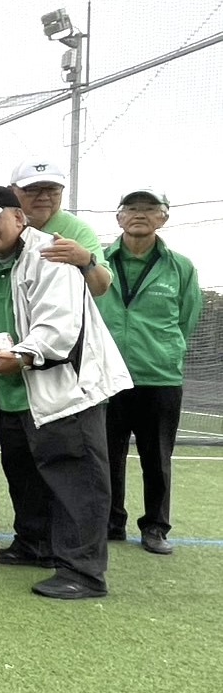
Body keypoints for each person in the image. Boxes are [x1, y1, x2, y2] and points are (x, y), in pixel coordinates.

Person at [0, 185, 131, 600]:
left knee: (76, 481)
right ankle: (35, 544)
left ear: (19, 218)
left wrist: (21, 355)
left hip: (65, 390)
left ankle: (83, 572)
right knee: (25, 474)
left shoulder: (50, 254)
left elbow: (59, 326)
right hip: (17, 391)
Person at [96, 189, 201, 555]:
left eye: (149, 208)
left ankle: (155, 526)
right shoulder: (99, 261)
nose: (139, 214)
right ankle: (111, 522)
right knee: (107, 455)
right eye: (131, 208)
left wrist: (164, 352)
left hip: (159, 378)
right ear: (119, 217)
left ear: (163, 218)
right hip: (107, 376)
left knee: (156, 458)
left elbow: (187, 318)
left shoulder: (181, 267)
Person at [10, 159, 113, 298]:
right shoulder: (2, 227)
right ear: (11, 191)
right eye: (33, 189)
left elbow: (100, 287)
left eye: (52, 189)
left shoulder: (78, 229)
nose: (44, 197)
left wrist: (86, 260)